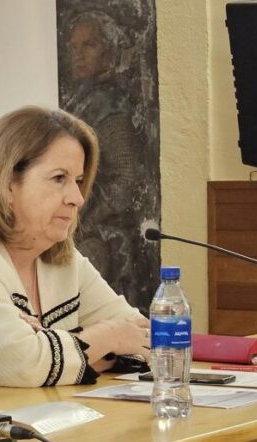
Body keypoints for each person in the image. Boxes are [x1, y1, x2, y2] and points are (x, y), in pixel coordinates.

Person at [0, 106, 149, 388]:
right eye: (59, 179)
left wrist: (57, 349)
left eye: (78, 181)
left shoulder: (61, 257)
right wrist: (107, 337)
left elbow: (145, 339)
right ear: (7, 184)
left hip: (55, 419)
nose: (77, 198)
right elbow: (20, 364)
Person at [61, 10, 160, 313]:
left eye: (89, 45)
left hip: (102, 237)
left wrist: (85, 222)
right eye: (74, 46)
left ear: (109, 52)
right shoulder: (80, 99)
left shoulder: (108, 104)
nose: (79, 55)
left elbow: (125, 178)